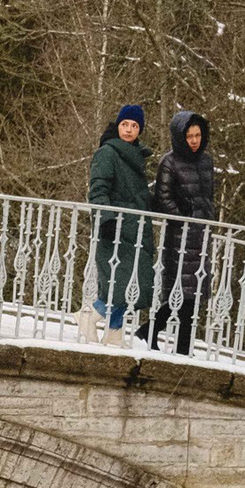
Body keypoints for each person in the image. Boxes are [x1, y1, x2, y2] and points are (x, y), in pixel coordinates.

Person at [145, 110, 215, 355]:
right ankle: (160, 336)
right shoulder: (170, 162)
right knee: (182, 291)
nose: (194, 140)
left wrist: (207, 219)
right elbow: (162, 198)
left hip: (203, 234)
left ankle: (162, 336)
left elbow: (209, 196)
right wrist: (182, 215)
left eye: (197, 135)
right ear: (180, 136)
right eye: (189, 136)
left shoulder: (207, 162)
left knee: (194, 292)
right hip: (180, 236)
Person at [87, 104, 156, 343]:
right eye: (125, 124)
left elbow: (136, 195)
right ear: (118, 125)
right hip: (115, 229)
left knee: (134, 284)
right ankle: (89, 315)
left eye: (134, 126)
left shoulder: (135, 156)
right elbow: (98, 189)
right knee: (120, 284)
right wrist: (105, 219)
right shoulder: (108, 152)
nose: (129, 130)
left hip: (134, 229)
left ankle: (114, 332)